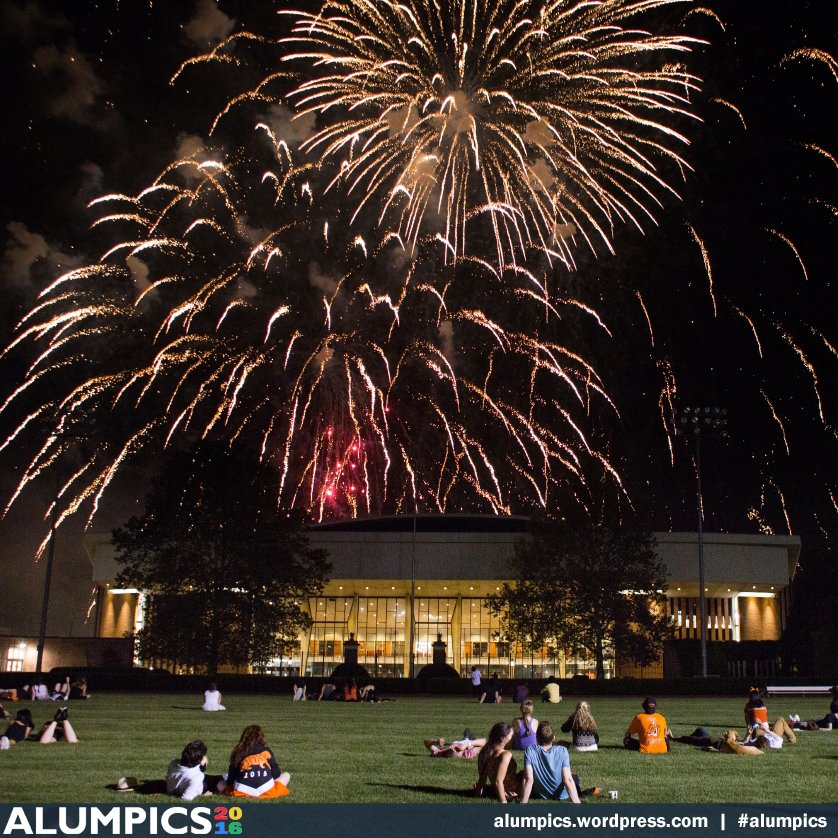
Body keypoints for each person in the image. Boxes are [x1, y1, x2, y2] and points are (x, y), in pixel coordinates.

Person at [520, 721, 581, 804]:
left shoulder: (530, 751)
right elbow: (568, 779)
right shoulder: (562, 751)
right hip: (562, 795)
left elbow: (528, 779)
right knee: (574, 777)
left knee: (522, 774)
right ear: (553, 738)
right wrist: (577, 802)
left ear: (537, 738)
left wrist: (523, 802)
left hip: (540, 794)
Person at [220, 725, 290, 798]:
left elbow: (231, 778)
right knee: (287, 775)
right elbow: (276, 774)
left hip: (242, 791)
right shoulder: (266, 750)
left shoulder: (238, 751)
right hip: (267, 791)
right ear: (261, 737)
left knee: (221, 782)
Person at [474, 722, 521, 802]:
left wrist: (478, 792)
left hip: (498, 789)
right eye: (511, 735)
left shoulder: (484, 752)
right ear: (503, 738)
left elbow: (482, 778)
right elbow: (498, 781)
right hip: (513, 789)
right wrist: (503, 802)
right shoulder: (505, 755)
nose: (513, 738)